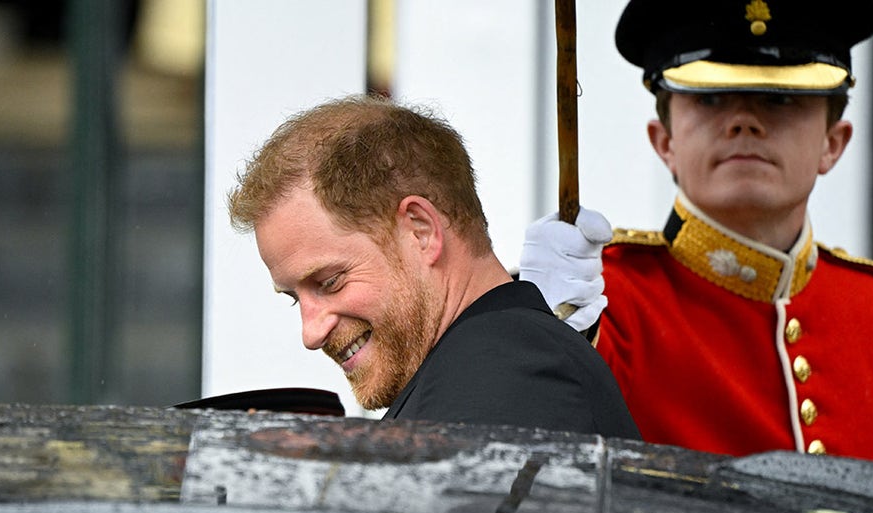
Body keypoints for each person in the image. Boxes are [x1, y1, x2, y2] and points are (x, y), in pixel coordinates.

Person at [520, 0, 873, 461]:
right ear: (664, 142)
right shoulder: (600, 305)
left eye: (780, 99)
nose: (744, 122)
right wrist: (531, 323)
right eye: (710, 98)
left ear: (833, 144)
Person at [228, 95, 640, 439]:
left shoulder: (506, 379)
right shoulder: (483, 371)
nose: (311, 334)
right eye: (293, 299)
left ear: (421, 231)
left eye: (330, 282)